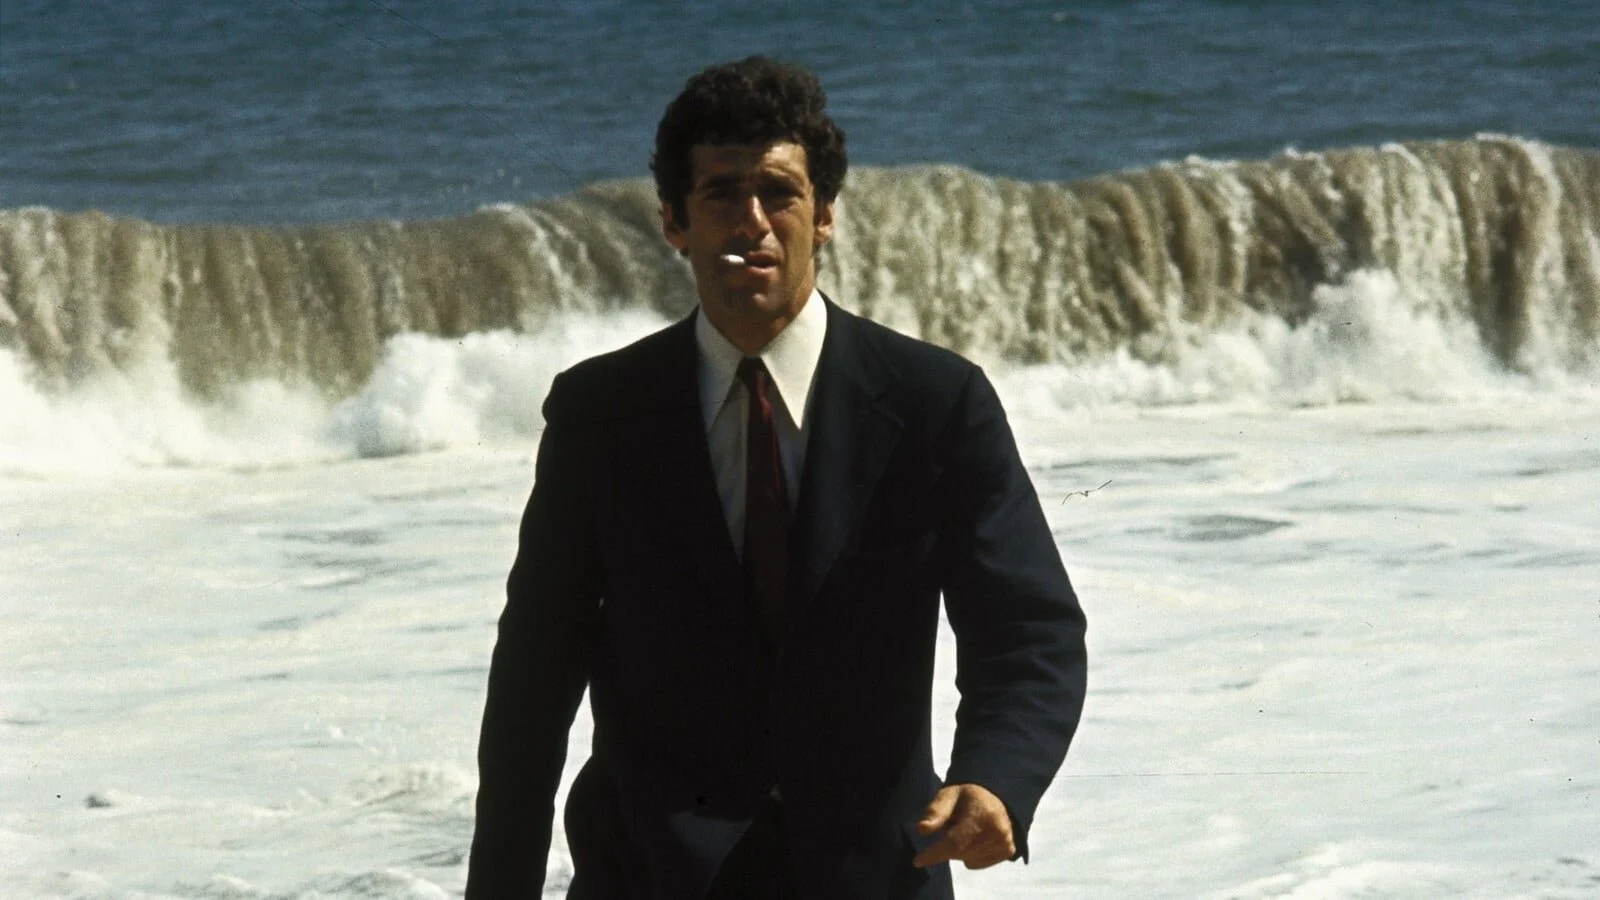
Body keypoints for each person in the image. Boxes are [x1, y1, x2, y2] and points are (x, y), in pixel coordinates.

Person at [466, 56, 1087, 900]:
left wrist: (997, 779)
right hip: (647, 876)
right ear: (674, 223)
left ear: (824, 215)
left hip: (873, 876)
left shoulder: (935, 404)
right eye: (721, 193)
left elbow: (1028, 628)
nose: (751, 221)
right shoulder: (599, 416)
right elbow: (533, 682)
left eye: (779, 193)